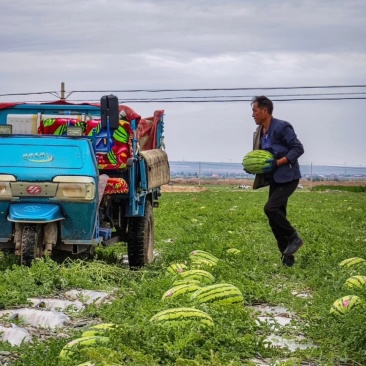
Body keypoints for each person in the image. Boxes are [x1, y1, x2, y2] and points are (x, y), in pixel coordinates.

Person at [250, 96, 304, 267]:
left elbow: (298, 148)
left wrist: (279, 162)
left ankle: (294, 237)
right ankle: (287, 259)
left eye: (255, 110)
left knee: (270, 208)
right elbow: (262, 157)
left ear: (265, 111)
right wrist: (254, 166)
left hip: (288, 177)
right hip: (274, 179)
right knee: (275, 220)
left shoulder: (282, 127)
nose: (253, 114)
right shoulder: (260, 132)